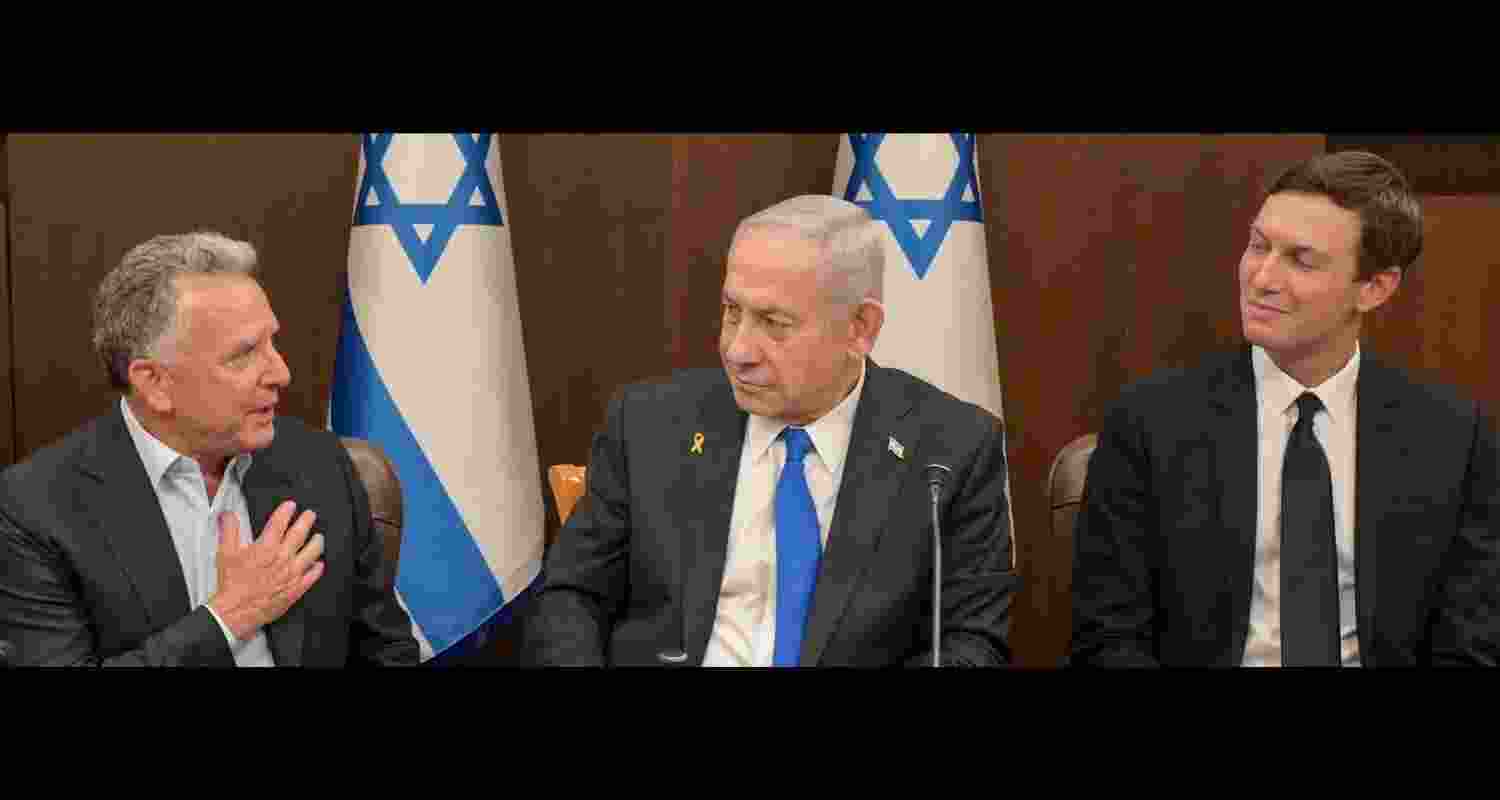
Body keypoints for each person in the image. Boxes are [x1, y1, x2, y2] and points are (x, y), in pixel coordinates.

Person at [523, 195, 1017, 667]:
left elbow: (971, 643)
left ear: (859, 329)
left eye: (773, 323)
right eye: (732, 311)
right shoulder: (650, 424)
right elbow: (570, 598)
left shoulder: (950, 450)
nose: (737, 350)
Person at [1069, 151, 1499, 667]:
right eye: (1258, 246)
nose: (1262, 277)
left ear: (1375, 287)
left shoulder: (1453, 436)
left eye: (1301, 259)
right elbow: (1108, 639)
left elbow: (1470, 644)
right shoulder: (1148, 423)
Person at [0, 231, 420, 666]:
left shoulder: (321, 463)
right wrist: (228, 617)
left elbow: (387, 652)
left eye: (273, 342)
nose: (281, 372)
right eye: (244, 354)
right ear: (155, 384)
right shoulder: (37, 508)